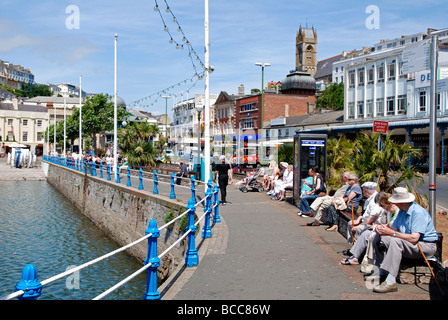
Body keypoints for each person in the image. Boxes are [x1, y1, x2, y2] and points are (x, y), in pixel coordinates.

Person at [340, 187, 438, 293]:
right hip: (409, 243)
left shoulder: (418, 212)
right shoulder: (402, 212)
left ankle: (391, 281)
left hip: (424, 246)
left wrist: (392, 233)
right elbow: (392, 230)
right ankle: (380, 269)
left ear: (400, 202)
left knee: (396, 242)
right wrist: (382, 230)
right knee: (378, 236)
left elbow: (414, 238)